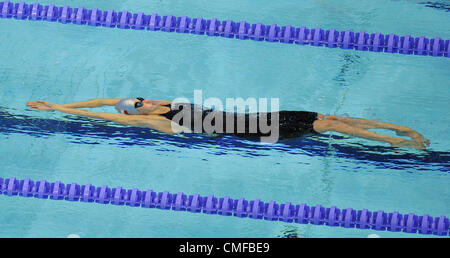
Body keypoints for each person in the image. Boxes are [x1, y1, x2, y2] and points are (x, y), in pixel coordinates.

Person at [26, 97, 430, 149]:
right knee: (332, 128)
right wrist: (60, 111)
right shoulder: (160, 125)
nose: (145, 100)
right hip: (257, 129)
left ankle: (394, 129)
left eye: (140, 98)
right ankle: (400, 140)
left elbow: (103, 100)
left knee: (332, 117)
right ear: (136, 114)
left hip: (262, 116)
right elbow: (100, 113)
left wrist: (61, 100)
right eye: (138, 103)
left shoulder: (164, 103)